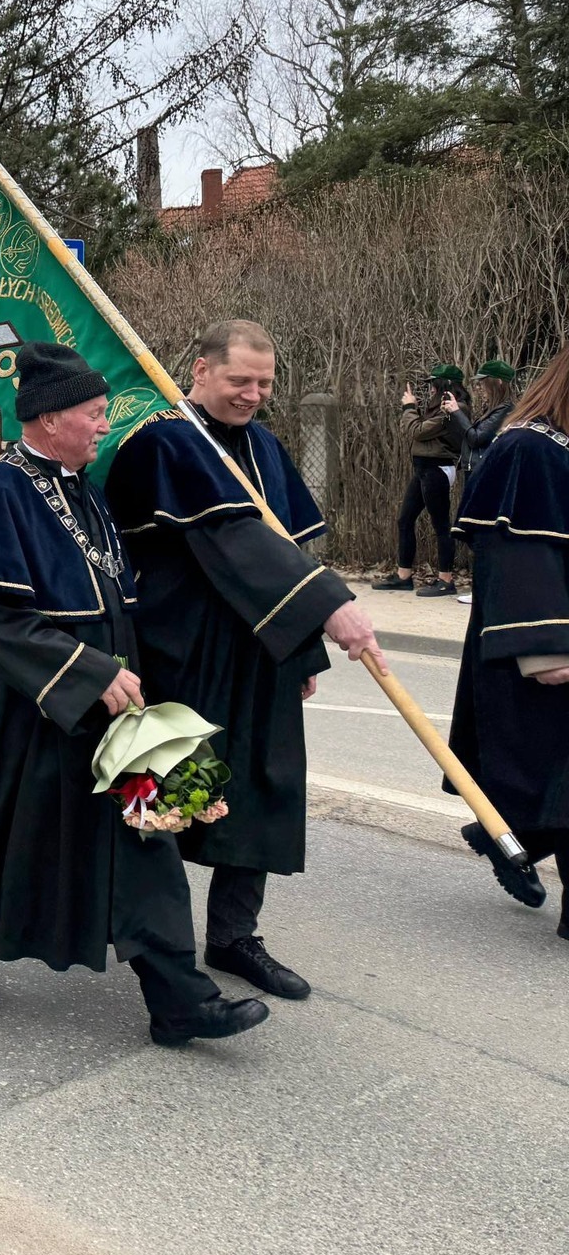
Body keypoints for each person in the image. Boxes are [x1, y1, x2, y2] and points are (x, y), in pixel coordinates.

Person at [0, 342, 266, 1046]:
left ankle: (178, 996)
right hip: (14, 716)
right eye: (94, 414)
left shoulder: (85, 493)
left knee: (146, 836)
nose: (105, 426)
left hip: (103, 713)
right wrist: (89, 673)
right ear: (47, 417)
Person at [105, 319, 382, 1002]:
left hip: (257, 644)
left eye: (264, 383)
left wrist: (300, 647)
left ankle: (233, 935)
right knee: (172, 795)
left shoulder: (262, 443)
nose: (253, 394)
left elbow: (285, 546)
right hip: (184, 650)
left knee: (259, 786)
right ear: (200, 371)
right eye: (240, 381)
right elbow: (228, 538)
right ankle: (157, 945)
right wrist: (325, 606)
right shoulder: (166, 439)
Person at [448, 347, 569, 934]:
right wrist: (544, 646)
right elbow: (514, 554)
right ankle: (511, 831)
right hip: (546, 640)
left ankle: (511, 834)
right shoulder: (529, 446)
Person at [374, 363, 467, 597]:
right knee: (405, 519)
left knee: (441, 525)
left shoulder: (453, 410)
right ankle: (404, 575)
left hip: (437, 468)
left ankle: (446, 579)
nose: (431, 391)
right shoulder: (439, 409)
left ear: (445, 386)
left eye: (433, 385)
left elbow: (416, 431)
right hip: (423, 468)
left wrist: (409, 407)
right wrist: (413, 408)